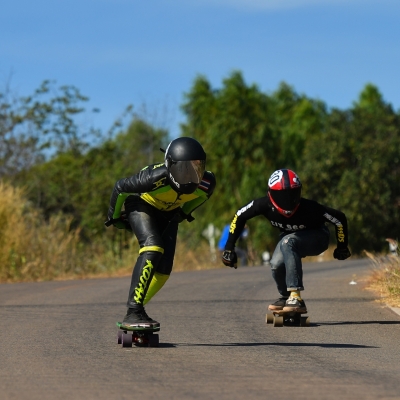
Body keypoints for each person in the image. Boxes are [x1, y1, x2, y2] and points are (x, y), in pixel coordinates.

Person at [105, 137, 216, 328]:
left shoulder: (207, 182)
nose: (190, 176)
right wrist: (114, 218)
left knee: (163, 271)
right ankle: (133, 310)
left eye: (196, 168)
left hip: (170, 212)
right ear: (170, 167)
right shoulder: (154, 178)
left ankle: (135, 310)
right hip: (142, 204)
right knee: (153, 247)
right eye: (182, 169)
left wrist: (183, 213)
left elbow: (200, 197)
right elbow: (120, 188)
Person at [221, 168, 351, 313]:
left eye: (293, 194)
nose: (288, 201)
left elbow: (339, 218)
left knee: (288, 242)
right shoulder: (264, 204)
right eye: (281, 196)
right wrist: (229, 248)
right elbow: (240, 215)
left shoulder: (310, 207)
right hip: (288, 240)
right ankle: (286, 296)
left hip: (317, 237)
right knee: (276, 264)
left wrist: (342, 247)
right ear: (270, 194)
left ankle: (296, 297)